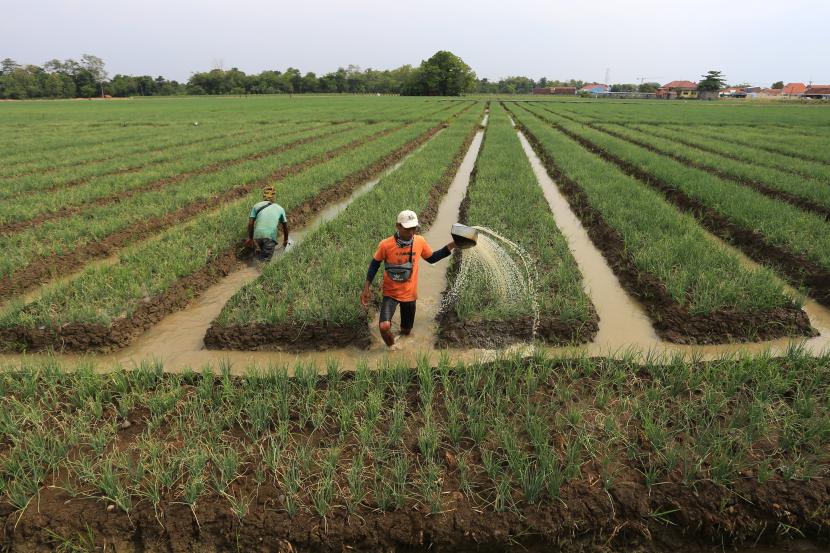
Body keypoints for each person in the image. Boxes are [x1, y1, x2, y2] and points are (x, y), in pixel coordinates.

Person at [360, 210, 456, 348]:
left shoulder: (420, 241)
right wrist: (366, 288)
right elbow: (374, 264)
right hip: (390, 293)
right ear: (398, 226)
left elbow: (432, 258)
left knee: (406, 331)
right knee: (384, 326)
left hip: (409, 295)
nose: (411, 232)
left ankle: (403, 338)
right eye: (407, 229)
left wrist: (452, 245)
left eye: (414, 228)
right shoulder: (385, 245)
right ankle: (392, 348)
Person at [246, 185, 289, 261]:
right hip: (270, 237)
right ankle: (259, 271)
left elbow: (250, 224)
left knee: (259, 257)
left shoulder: (256, 206)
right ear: (273, 197)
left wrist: (250, 238)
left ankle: (254, 268)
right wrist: (285, 240)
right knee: (265, 262)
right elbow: (285, 226)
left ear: (264, 196)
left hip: (257, 236)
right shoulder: (280, 208)